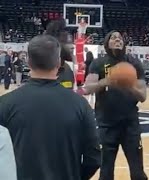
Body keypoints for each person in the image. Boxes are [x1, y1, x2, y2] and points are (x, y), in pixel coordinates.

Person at [0, 35, 101, 180]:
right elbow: (94, 157)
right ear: (59, 62)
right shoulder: (80, 104)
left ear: (28, 62)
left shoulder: (5, 103)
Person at [84, 30, 148, 180]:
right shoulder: (98, 63)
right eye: (113, 37)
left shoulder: (134, 63)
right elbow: (88, 88)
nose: (117, 39)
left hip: (130, 124)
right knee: (106, 171)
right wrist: (107, 81)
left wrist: (128, 84)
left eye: (120, 37)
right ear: (107, 43)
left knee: (137, 171)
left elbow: (143, 96)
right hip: (106, 123)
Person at [45, 19, 75, 89]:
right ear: (57, 43)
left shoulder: (68, 69)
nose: (73, 47)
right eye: (68, 43)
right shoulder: (43, 71)